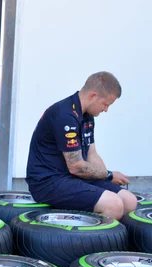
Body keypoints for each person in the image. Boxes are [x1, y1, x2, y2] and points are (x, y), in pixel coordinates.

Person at [26, 71, 137, 220]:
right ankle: (87, 242)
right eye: (105, 104)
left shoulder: (87, 116)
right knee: (113, 204)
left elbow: (92, 154)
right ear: (93, 96)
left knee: (129, 201)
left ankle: (114, 238)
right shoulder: (64, 115)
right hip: (49, 182)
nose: (106, 110)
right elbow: (76, 166)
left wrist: (106, 179)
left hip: (73, 178)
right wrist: (109, 175)